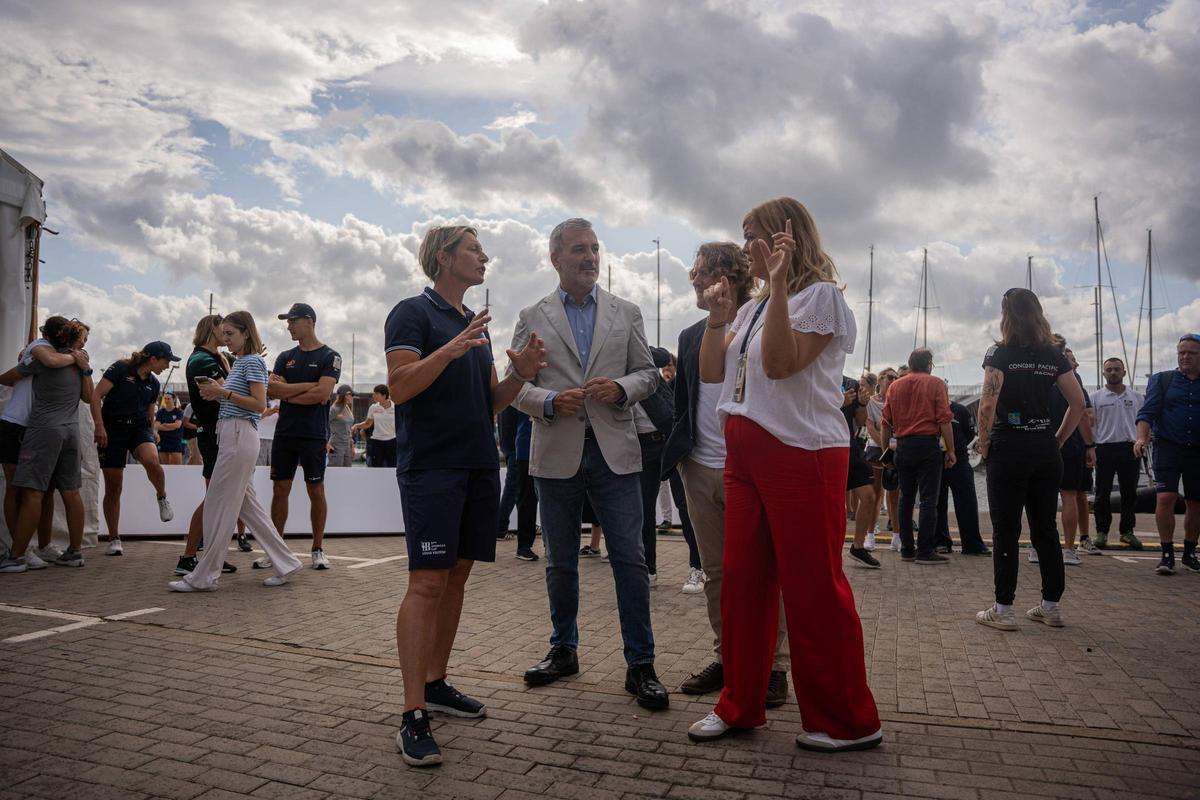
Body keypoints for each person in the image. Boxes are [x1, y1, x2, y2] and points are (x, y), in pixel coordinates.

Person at [688, 198, 880, 753]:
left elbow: (779, 363)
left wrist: (775, 289)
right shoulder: (747, 310)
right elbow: (710, 371)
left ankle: (849, 721)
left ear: (780, 239)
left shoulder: (821, 299)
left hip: (803, 454)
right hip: (745, 456)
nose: (743, 246)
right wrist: (719, 316)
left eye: (751, 236)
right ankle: (739, 704)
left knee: (813, 586)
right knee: (743, 584)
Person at [384, 224, 546, 766]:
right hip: (432, 467)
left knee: (456, 578)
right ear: (444, 257)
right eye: (475, 250)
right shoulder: (412, 313)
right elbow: (402, 385)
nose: (485, 257)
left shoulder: (475, 327)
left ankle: (436, 682)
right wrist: (449, 351)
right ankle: (411, 716)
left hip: (479, 465)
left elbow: (489, 404)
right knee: (427, 582)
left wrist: (518, 376)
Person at [510, 217, 668, 712]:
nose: (590, 257)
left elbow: (649, 374)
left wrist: (622, 389)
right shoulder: (532, 315)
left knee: (630, 560)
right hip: (556, 451)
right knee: (560, 561)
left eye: (596, 249)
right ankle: (564, 650)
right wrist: (552, 401)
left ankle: (640, 664)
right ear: (555, 258)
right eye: (579, 249)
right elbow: (512, 386)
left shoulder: (627, 312)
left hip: (616, 449)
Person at [661, 241, 791, 705]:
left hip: (751, 468)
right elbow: (685, 403)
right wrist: (679, 453)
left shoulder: (762, 321)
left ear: (726, 275)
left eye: (700, 271)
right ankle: (729, 656)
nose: (693, 280)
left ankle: (774, 668)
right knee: (715, 572)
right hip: (699, 468)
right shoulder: (692, 334)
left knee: (762, 571)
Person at [974, 288, 1084, 631]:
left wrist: (984, 442)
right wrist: (1058, 440)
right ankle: (1051, 606)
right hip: (1045, 450)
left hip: (1009, 448)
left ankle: (1003, 609)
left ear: (1007, 315)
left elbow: (988, 404)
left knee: (1006, 530)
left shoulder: (999, 352)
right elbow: (1078, 403)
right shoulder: (1054, 355)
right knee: (1045, 529)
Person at [169, 311, 302, 593]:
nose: (224, 338)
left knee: (219, 506)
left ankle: (205, 575)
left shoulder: (250, 361)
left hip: (238, 434)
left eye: (230, 334)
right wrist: (218, 393)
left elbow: (258, 404)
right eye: (223, 333)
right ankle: (286, 562)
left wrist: (223, 393)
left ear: (245, 333)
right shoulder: (243, 361)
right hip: (233, 434)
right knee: (246, 507)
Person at [0, 318, 92, 571]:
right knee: (71, 492)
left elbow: (8, 378)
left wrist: (24, 358)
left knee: (33, 493)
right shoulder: (82, 362)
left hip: (43, 431)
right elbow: (88, 396)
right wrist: (82, 364)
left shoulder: (42, 359)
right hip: (71, 431)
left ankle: (16, 556)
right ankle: (74, 552)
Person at [262, 303, 340, 571]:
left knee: (315, 489)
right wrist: (309, 387)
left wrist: (291, 392)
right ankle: (275, 548)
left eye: (292, 321)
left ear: (309, 321)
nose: (288, 326)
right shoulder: (285, 356)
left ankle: (317, 548)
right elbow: (273, 390)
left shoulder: (331, 356)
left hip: (313, 434)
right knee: (279, 490)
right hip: (285, 433)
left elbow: (322, 395)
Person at [91, 341, 178, 555]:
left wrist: (153, 430)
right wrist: (99, 426)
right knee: (114, 487)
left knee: (151, 459)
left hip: (138, 428)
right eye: (167, 361)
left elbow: (150, 412)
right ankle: (114, 538)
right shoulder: (120, 369)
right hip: (112, 430)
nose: (168, 366)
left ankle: (161, 496)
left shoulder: (154, 383)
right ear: (153, 359)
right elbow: (95, 395)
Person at [174, 316, 239, 576]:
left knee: (221, 498)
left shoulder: (220, 358)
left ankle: (210, 555)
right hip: (213, 434)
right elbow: (224, 392)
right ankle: (188, 556)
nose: (226, 332)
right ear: (211, 329)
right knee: (214, 497)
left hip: (223, 433)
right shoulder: (202, 360)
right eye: (223, 328)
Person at [880, 348, 955, 564]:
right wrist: (951, 450)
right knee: (928, 499)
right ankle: (925, 550)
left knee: (905, 498)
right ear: (929, 364)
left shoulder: (895, 386)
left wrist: (887, 451)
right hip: (927, 445)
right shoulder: (936, 384)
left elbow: (886, 423)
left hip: (903, 446)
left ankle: (907, 548)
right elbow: (944, 419)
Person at [1135, 333, 1200, 575]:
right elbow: (1147, 412)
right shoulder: (1163, 380)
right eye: (1181, 352)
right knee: (1165, 498)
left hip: (1197, 450)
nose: (1185, 357)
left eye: (1191, 353)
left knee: (1196, 502)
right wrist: (1141, 437)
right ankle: (1166, 554)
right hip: (1168, 446)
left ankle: (1190, 552)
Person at [1043, 341, 1098, 566]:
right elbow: (1083, 415)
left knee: (1040, 499)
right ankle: (1068, 549)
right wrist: (1089, 445)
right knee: (1069, 497)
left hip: (1041, 441)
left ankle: (1039, 548)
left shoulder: (1040, 381)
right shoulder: (1075, 384)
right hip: (1070, 445)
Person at [1090, 357, 1143, 552]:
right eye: (1109, 369)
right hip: (1104, 448)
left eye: (1117, 369)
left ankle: (1127, 531)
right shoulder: (1095, 397)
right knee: (1102, 493)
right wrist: (1091, 447)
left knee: (1129, 493)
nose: (1113, 372)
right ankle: (1102, 532)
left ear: (1124, 372)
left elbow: (1143, 423)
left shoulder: (1137, 397)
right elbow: (1091, 424)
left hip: (1130, 448)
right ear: (1104, 373)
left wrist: (1143, 441)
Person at [934, 397, 990, 555]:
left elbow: (970, 433)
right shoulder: (929, 409)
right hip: (936, 461)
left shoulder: (960, 410)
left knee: (968, 503)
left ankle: (972, 544)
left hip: (960, 460)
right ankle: (940, 542)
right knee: (938, 503)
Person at [844, 373, 880, 568]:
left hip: (847, 446)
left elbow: (860, 421)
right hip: (821, 446)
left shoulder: (850, 383)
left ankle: (858, 546)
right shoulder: (815, 375)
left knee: (868, 495)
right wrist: (837, 402)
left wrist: (863, 404)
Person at [864, 367, 899, 549]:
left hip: (893, 448)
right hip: (877, 449)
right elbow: (870, 428)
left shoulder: (897, 401)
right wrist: (885, 448)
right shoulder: (870, 403)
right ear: (880, 379)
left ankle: (897, 536)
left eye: (896, 377)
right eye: (890, 377)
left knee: (895, 495)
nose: (893, 380)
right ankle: (869, 535)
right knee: (876, 494)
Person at [354, 385, 396, 467]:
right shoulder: (373, 408)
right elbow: (367, 424)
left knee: (392, 467)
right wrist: (356, 425)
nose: (373, 395)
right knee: (376, 467)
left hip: (392, 441)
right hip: (377, 442)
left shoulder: (396, 407)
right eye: (374, 393)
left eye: (376, 393)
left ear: (384, 395)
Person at [496, 405, 521, 538]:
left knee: (516, 488)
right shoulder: (515, 398)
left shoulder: (506, 402)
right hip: (515, 447)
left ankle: (502, 526)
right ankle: (500, 527)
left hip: (508, 445)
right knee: (513, 487)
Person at [327, 385, 355, 467]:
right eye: (352, 395)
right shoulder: (334, 409)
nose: (353, 397)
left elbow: (348, 429)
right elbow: (322, 424)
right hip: (335, 446)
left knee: (347, 474)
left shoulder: (347, 408)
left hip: (347, 446)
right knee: (335, 472)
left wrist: (352, 446)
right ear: (346, 395)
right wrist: (326, 443)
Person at [154, 392, 186, 465]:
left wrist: (165, 425)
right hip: (163, 440)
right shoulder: (160, 412)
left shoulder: (178, 412)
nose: (166, 400)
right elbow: (157, 426)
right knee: (165, 466)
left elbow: (178, 425)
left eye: (168, 399)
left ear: (174, 399)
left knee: (177, 465)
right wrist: (172, 426)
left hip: (175, 440)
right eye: (165, 399)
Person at [256, 399, 279, 466]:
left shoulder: (281, 400)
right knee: (259, 468)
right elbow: (250, 417)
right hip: (258, 438)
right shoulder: (258, 398)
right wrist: (265, 414)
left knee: (275, 469)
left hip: (275, 440)